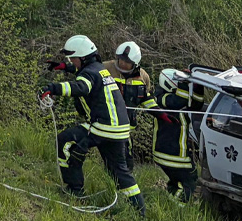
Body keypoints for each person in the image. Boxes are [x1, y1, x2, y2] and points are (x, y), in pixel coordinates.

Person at [38, 34, 145, 214]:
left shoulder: (90, 73)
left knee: (64, 141)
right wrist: (63, 66)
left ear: (83, 57)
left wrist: (52, 88)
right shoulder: (99, 69)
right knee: (120, 172)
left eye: (73, 58)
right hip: (119, 130)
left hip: (103, 128)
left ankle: (75, 189)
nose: (72, 61)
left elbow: (81, 87)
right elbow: (81, 72)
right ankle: (139, 211)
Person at [150, 68, 197, 203]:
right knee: (189, 181)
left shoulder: (168, 96)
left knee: (177, 182)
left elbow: (196, 103)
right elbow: (179, 101)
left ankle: (169, 198)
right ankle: (176, 207)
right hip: (171, 152)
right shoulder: (161, 98)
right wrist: (184, 82)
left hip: (170, 150)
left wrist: (198, 85)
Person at [103, 41, 153, 110]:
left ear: (135, 64)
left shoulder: (143, 76)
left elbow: (145, 97)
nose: (122, 63)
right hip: (108, 117)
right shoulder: (105, 68)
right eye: (121, 59)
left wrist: (159, 113)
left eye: (127, 62)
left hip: (130, 118)